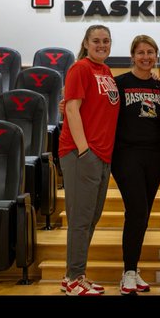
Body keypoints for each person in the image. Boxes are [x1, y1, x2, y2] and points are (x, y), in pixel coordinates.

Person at [58, 24, 120, 296]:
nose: (102, 45)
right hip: (81, 153)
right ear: (85, 42)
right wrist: (84, 151)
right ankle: (74, 278)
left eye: (106, 41)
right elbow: (71, 109)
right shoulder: (80, 68)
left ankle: (74, 274)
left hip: (101, 154)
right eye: (96, 40)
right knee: (80, 220)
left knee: (90, 218)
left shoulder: (105, 71)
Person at [111, 35, 160, 295]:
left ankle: (133, 268)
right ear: (132, 56)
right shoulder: (119, 83)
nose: (146, 57)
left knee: (142, 215)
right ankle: (129, 272)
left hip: (155, 154)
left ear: (156, 55)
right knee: (136, 210)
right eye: (141, 52)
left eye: (150, 52)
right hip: (125, 154)